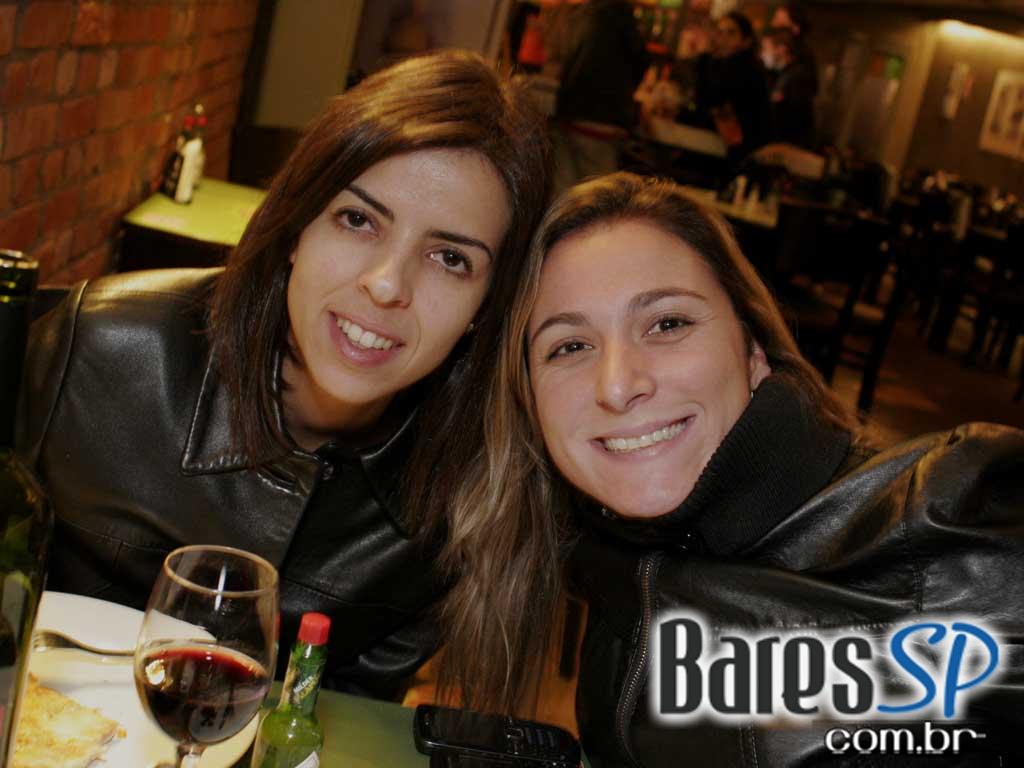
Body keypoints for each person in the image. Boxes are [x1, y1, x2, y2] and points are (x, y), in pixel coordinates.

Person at [437, 172, 1024, 763]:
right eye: (570, 346)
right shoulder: (607, 559)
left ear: (753, 351)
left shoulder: (955, 511)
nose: (617, 385)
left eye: (668, 324)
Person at [16, 50, 550, 700]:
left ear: (486, 308)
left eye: (450, 258)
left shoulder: (458, 498)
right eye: (358, 220)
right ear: (297, 226)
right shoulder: (96, 351)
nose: (386, 284)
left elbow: (345, 716)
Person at [551, 0, 648, 193]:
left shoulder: (585, 15)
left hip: (571, 114)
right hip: (605, 120)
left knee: (562, 192)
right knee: (599, 196)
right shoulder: (622, 16)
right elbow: (641, 60)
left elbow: (566, 62)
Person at [694, 11, 771, 159]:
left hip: (745, 153)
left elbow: (711, 99)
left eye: (731, 33)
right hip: (730, 148)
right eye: (719, 32)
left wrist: (704, 57)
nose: (722, 38)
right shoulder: (721, 64)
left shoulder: (746, 68)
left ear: (746, 41)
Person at [761, 26, 816, 147]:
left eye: (765, 49)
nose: (762, 54)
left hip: (786, 147)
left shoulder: (796, 77)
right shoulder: (779, 74)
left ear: (781, 49)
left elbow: (794, 120)